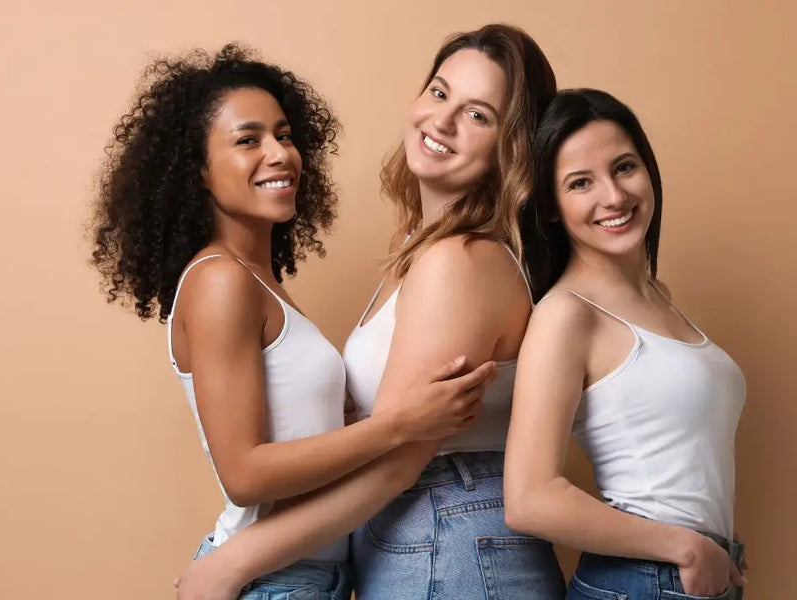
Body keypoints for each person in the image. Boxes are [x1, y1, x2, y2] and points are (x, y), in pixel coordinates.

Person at [90, 43, 496, 600]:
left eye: (284, 135)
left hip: (312, 575)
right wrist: (398, 424)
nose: (279, 154)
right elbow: (245, 473)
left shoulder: (258, 281)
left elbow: (295, 434)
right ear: (199, 172)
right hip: (271, 579)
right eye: (247, 140)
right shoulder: (220, 281)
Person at [175, 24, 564, 600]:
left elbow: (399, 463)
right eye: (439, 93)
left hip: (446, 534)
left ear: (513, 146)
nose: (444, 121)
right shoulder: (420, 250)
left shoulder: (458, 259)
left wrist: (233, 563)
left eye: (479, 115)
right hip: (422, 536)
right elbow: (387, 433)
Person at [504, 88, 748, 600]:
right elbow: (528, 497)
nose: (613, 197)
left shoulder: (660, 299)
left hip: (694, 573)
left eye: (624, 167)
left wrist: (711, 548)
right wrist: (684, 547)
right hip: (645, 578)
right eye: (580, 183)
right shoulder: (566, 315)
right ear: (550, 206)